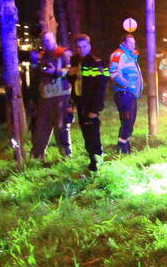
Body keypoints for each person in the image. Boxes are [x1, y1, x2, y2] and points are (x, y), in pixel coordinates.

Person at [69, 33, 110, 171]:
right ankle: (92, 160)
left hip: (91, 104)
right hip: (80, 102)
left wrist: (95, 109)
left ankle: (97, 162)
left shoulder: (96, 62)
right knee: (86, 134)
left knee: (93, 133)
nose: (82, 50)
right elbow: (76, 83)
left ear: (89, 46)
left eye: (84, 46)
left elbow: (101, 87)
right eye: (79, 47)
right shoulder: (75, 61)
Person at [31, 32, 72, 160]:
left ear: (54, 39)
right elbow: (36, 75)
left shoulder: (64, 53)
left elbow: (71, 71)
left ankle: (66, 154)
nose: (47, 42)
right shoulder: (41, 55)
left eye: (49, 39)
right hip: (46, 96)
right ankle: (38, 155)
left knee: (61, 126)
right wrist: (35, 63)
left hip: (61, 95)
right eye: (45, 40)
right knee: (42, 125)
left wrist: (55, 72)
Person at [109, 34, 143, 154]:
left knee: (130, 121)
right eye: (130, 43)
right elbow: (113, 73)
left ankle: (126, 145)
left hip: (130, 93)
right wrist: (126, 85)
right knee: (127, 121)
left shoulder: (130, 56)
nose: (132, 46)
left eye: (133, 43)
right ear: (123, 43)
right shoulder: (118, 55)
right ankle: (122, 147)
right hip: (124, 93)